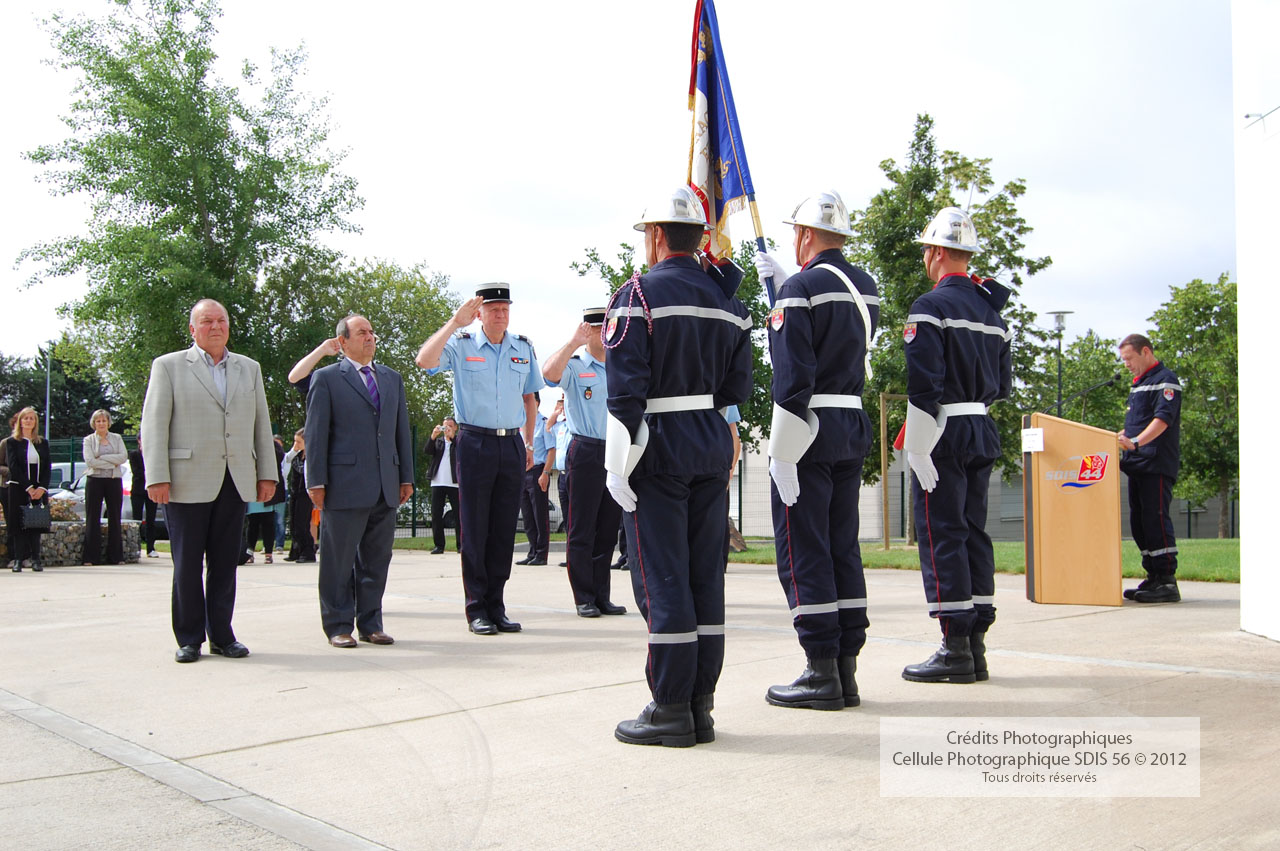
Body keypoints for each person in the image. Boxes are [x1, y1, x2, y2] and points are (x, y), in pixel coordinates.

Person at [606, 187, 752, 747]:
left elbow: (625, 394)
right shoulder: (727, 302)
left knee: (661, 579)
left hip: (657, 448)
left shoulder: (637, 294)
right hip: (710, 444)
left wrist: (618, 465)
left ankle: (669, 707)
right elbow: (736, 388)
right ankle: (699, 703)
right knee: (702, 579)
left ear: (659, 236)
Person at [753, 191, 879, 711]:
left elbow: (793, 376)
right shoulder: (865, 286)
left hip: (806, 428)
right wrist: (787, 290)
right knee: (840, 546)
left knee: (804, 549)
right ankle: (845, 669)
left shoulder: (800, 288)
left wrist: (782, 451)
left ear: (804, 236)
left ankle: (819, 669)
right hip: (850, 422)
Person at [899, 208, 1012, 685]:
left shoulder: (931, 306)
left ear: (939, 253)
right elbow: (1002, 385)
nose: (926, 258)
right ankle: (977, 644)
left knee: (941, 534)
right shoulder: (993, 313)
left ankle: (954, 647)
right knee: (972, 533)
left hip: (942, 429)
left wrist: (919, 445)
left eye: (927, 250)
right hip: (980, 428)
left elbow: (924, 384)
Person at [141, 299, 277, 663]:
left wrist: (267, 473)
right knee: (186, 563)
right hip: (186, 480)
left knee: (225, 562)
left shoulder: (249, 369)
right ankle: (189, 638)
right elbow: (153, 425)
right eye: (207, 321)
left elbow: (261, 426)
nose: (215, 327)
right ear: (193, 329)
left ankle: (222, 635)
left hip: (235, 479)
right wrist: (156, 476)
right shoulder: (168, 367)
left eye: (221, 320)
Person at [416, 285, 544, 636]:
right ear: (480, 314)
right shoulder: (461, 344)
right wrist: (453, 322)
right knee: (475, 528)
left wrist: (530, 442)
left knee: (504, 529)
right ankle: (476, 608)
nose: (500, 315)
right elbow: (424, 360)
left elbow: (530, 397)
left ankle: (497, 605)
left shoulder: (522, 347)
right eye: (493, 310)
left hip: (511, 445)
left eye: (505, 309)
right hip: (474, 442)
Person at [306, 314, 414, 648]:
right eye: (362, 332)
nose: (370, 337)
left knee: (376, 559)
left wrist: (406, 476)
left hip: (386, 484)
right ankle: (338, 624)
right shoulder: (326, 379)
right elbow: (316, 433)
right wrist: (316, 481)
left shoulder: (391, 379)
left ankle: (371, 623)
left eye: (372, 332)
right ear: (342, 342)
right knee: (338, 561)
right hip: (344, 485)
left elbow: (400, 431)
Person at [543, 308, 626, 617]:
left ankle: (602, 594)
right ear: (587, 330)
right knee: (582, 528)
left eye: (608, 327)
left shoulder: (621, 364)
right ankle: (583, 596)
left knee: (607, 528)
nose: (603, 333)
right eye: (596, 328)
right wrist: (573, 342)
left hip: (616, 451)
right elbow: (549, 375)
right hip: (586, 450)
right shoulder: (576, 366)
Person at [1116, 334, 1183, 603]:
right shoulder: (1140, 384)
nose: (1127, 365)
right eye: (1124, 360)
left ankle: (1167, 580)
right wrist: (1119, 436)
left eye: (1130, 359)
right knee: (1140, 523)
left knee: (1155, 520)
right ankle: (1153, 576)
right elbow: (1137, 424)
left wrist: (1134, 442)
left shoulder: (1166, 381)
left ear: (1146, 352)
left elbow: (1161, 421)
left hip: (1155, 462)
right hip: (1137, 464)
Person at [5, 407, 51, 572]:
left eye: (32, 418)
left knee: (35, 523)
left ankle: (36, 559)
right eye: (26, 418)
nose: (29, 421)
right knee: (18, 524)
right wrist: (28, 487)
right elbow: (13, 466)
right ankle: (18, 559)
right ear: (20, 421)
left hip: (39, 488)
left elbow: (47, 467)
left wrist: (41, 488)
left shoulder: (42, 442)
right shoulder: (12, 442)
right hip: (19, 487)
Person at [81, 409, 128, 565]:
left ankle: (116, 556)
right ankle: (90, 557)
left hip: (113, 480)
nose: (101, 423)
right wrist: (111, 461)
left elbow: (122, 457)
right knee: (93, 517)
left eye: (103, 421)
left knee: (114, 517)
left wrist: (102, 458)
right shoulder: (88, 440)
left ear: (108, 422)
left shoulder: (117, 438)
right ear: (94, 423)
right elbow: (90, 462)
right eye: (98, 421)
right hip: (94, 480)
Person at [516, 397, 553, 566]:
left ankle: (541, 553)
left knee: (540, 515)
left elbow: (551, 450)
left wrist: (545, 472)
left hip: (538, 470)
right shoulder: (520, 424)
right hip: (523, 473)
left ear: (536, 402)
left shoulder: (543, 423)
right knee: (528, 516)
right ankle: (532, 551)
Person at [424, 417, 461, 555]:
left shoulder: (458, 442)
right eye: (445, 426)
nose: (447, 429)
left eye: (450, 426)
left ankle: (460, 545)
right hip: (438, 482)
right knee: (436, 514)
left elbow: (463, 452)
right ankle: (439, 545)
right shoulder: (438, 442)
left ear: (455, 428)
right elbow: (427, 450)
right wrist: (433, 436)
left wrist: (453, 438)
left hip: (454, 483)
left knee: (459, 515)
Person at [283, 429, 315, 562]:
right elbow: (286, 459)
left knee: (302, 523)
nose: (296, 444)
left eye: (299, 441)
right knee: (293, 522)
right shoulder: (296, 454)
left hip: (305, 493)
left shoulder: (311, 456)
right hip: (295, 491)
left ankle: (307, 552)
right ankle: (295, 550)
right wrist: (294, 449)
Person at [548, 398, 572, 567]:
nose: (561, 410)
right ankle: (571, 555)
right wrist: (556, 413)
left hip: (575, 473)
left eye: (563, 407)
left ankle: (578, 556)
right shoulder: (559, 427)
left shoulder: (573, 425)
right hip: (562, 475)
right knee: (568, 517)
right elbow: (548, 427)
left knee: (577, 516)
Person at [128, 435, 159, 558]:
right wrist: (149, 472)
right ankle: (136, 547)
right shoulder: (134, 454)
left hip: (151, 490)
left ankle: (150, 548)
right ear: (139, 441)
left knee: (151, 520)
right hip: (138, 491)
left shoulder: (153, 454)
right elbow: (137, 472)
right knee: (137, 520)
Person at [2, 413, 18, 568]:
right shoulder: (5, 443)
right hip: (8, 487)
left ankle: (30, 556)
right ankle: (14, 557)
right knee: (12, 523)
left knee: (29, 523)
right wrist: (11, 472)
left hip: (30, 489)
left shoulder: (35, 442)